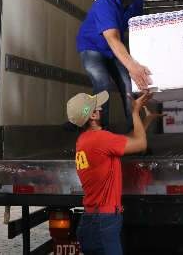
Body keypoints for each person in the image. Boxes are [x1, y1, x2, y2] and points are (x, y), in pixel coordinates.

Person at [67, 90, 161, 255]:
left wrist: (145, 120)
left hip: (92, 221)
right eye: (98, 106)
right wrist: (134, 111)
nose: (102, 108)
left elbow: (129, 140)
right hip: (103, 223)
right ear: (93, 115)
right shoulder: (100, 138)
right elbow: (140, 145)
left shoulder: (85, 139)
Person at [76, 0, 152, 132]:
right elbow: (112, 38)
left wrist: (141, 62)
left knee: (128, 86)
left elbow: (137, 32)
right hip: (92, 47)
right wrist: (132, 66)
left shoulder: (137, 2)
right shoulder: (104, 3)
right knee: (102, 83)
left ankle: (135, 133)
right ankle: (101, 132)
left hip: (114, 49)